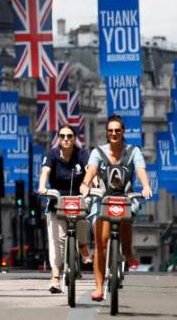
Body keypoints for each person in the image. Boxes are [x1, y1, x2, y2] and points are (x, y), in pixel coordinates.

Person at [79, 115, 153, 302]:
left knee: (127, 213)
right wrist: (86, 185)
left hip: (124, 198)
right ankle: (98, 287)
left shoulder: (133, 151)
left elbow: (140, 170)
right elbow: (90, 172)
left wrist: (145, 186)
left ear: (123, 132)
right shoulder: (98, 152)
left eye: (117, 130)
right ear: (106, 132)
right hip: (103, 199)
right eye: (110, 130)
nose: (114, 133)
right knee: (101, 243)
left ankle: (127, 251)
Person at [37, 124, 90, 294]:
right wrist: (42, 187)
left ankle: (82, 245)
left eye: (69, 136)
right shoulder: (52, 154)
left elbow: (90, 171)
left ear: (75, 139)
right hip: (57, 201)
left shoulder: (81, 154)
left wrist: (89, 185)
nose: (66, 139)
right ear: (58, 138)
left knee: (83, 222)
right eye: (62, 136)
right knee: (57, 241)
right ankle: (55, 278)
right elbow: (45, 171)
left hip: (77, 200)